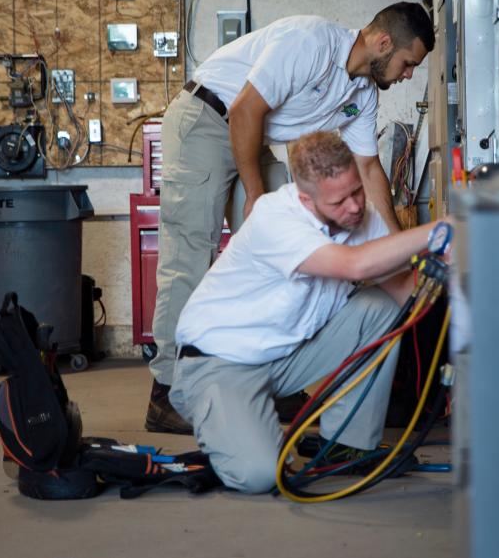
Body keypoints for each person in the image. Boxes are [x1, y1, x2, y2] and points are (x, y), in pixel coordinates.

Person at [146, 2, 435, 433]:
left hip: (250, 134)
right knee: (191, 251)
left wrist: (397, 251)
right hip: (208, 118)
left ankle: (270, 376)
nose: (408, 74)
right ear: (383, 42)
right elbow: (245, 108)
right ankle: (168, 393)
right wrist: (256, 195)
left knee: (287, 255)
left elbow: (370, 169)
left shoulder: (362, 95)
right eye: (408, 63)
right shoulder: (310, 41)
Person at [166, 131, 446, 493]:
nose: (355, 207)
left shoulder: (362, 216)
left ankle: (345, 445)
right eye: (339, 201)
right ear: (305, 199)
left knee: (379, 306)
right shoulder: (275, 218)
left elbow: (407, 293)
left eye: (357, 191)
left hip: (285, 357)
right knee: (261, 475)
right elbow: (355, 266)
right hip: (219, 364)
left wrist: (453, 277)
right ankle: (234, 427)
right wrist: (439, 231)